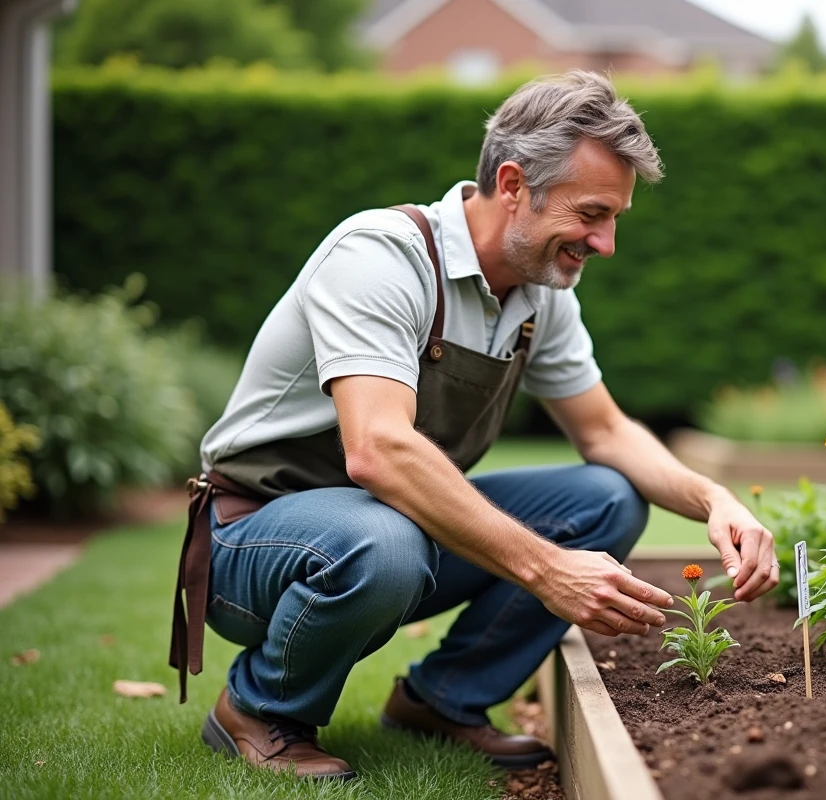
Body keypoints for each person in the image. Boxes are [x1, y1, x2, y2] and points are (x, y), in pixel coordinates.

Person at [170, 70, 778, 781]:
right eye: (591, 213)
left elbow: (607, 434)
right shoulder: (381, 256)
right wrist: (547, 570)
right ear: (515, 183)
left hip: (385, 532)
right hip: (252, 541)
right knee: (385, 540)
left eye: (614, 218)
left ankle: (443, 700)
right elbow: (378, 451)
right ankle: (259, 707)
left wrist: (716, 501)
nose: (606, 242)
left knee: (606, 500)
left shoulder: (538, 294)